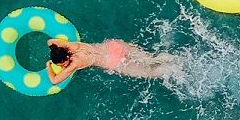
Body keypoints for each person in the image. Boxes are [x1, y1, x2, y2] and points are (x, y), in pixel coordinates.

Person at [46, 38, 181, 82]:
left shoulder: (74, 64)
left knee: (149, 72)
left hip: (115, 62)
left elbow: (54, 81)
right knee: (150, 59)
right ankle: (174, 57)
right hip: (115, 46)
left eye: (62, 63)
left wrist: (48, 66)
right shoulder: (70, 45)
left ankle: (174, 70)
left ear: (65, 59)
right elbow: (50, 42)